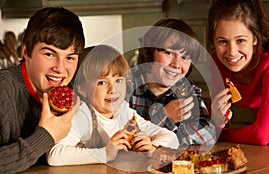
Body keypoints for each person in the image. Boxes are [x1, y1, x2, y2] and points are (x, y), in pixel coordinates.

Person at [47, 45, 179, 166]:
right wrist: (105, 153)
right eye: (102, 83)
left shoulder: (124, 112)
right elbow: (55, 155)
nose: (113, 89)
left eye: (119, 80)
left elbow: (170, 137)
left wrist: (152, 149)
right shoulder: (83, 114)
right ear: (82, 88)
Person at [0, 7, 85, 174]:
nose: (60, 68)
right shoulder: (3, 90)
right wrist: (46, 136)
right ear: (26, 52)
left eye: (70, 58)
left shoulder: (71, 93)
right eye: (49, 54)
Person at [208, 0, 269, 147]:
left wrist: (225, 136)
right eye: (223, 42)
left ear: (255, 38)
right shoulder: (218, 62)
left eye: (241, 40)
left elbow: (262, 135)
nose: (232, 53)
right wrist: (218, 121)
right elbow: (215, 128)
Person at [127, 18, 217, 146]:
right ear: (150, 51)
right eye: (168, 53)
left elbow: (208, 136)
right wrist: (165, 116)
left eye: (185, 57)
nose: (176, 64)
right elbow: (122, 136)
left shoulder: (187, 90)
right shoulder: (125, 85)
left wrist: (162, 135)